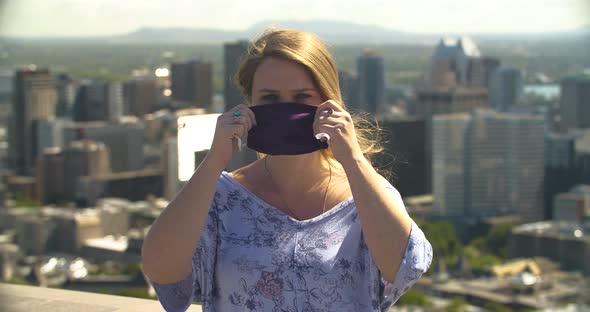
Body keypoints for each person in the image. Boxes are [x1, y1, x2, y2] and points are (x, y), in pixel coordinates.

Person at [141, 28, 432, 312]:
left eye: (302, 96)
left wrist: (352, 158)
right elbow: (162, 271)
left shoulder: (366, 194)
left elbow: (405, 265)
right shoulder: (221, 198)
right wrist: (214, 160)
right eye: (269, 98)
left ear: (329, 102)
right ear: (250, 105)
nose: (286, 109)